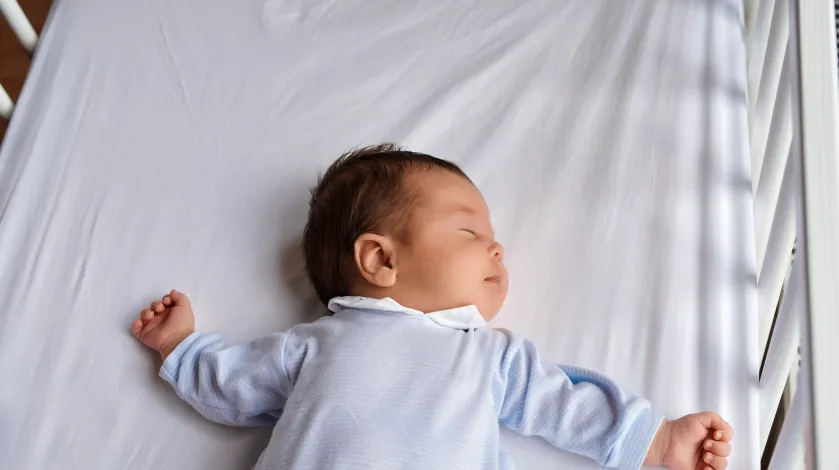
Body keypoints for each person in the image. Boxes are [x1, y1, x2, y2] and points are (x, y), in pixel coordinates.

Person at [130, 144, 733, 470]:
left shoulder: (490, 356)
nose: (497, 246)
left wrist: (657, 443)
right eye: (469, 233)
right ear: (380, 260)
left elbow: (566, 405)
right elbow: (235, 386)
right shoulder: (316, 343)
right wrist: (180, 346)